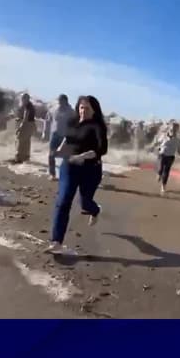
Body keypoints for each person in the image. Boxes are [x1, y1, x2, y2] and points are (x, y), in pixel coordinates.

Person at [47, 95, 108, 254]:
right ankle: (56, 241)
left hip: (91, 169)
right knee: (63, 200)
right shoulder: (73, 122)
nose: (83, 111)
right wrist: (59, 150)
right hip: (69, 166)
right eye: (81, 107)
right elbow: (67, 139)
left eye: (87, 108)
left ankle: (95, 210)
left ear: (94, 110)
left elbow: (101, 150)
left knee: (85, 203)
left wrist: (82, 157)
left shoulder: (98, 127)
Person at [42, 94, 75, 181]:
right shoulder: (54, 109)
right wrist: (44, 132)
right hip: (55, 134)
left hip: (65, 136)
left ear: (65, 101)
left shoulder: (71, 112)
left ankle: (67, 175)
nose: (59, 102)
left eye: (61, 101)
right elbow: (47, 120)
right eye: (59, 101)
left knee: (66, 156)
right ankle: (52, 174)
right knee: (51, 155)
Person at [155, 124, 180, 196]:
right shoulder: (164, 136)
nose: (173, 131)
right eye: (172, 129)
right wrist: (158, 147)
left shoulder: (178, 140)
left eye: (175, 130)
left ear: (176, 131)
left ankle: (163, 186)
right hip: (162, 155)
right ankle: (159, 174)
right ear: (169, 129)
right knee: (161, 169)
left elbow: (179, 149)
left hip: (170, 157)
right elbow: (158, 143)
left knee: (166, 171)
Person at [12, 93, 37, 164]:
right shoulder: (30, 105)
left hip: (27, 125)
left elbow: (25, 119)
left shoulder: (28, 107)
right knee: (26, 142)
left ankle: (18, 158)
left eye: (22, 98)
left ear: (25, 99)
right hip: (31, 125)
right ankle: (26, 157)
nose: (21, 100)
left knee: (20, 140)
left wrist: (20, 128)